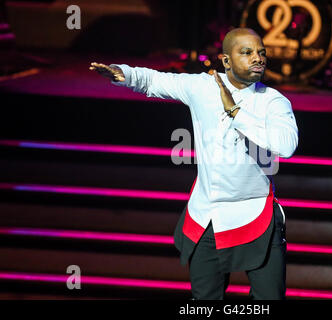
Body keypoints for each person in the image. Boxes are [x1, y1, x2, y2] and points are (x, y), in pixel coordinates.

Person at [89, 28, 299, 300]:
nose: (257, 58)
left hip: (256, 215)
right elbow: (155, 81)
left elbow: (286, 146)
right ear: (226, 61)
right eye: (246, 53)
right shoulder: (204, 86)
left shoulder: (273, 101)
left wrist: (235, 111)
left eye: (261, 53)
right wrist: (124, 73)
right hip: (207, 217)